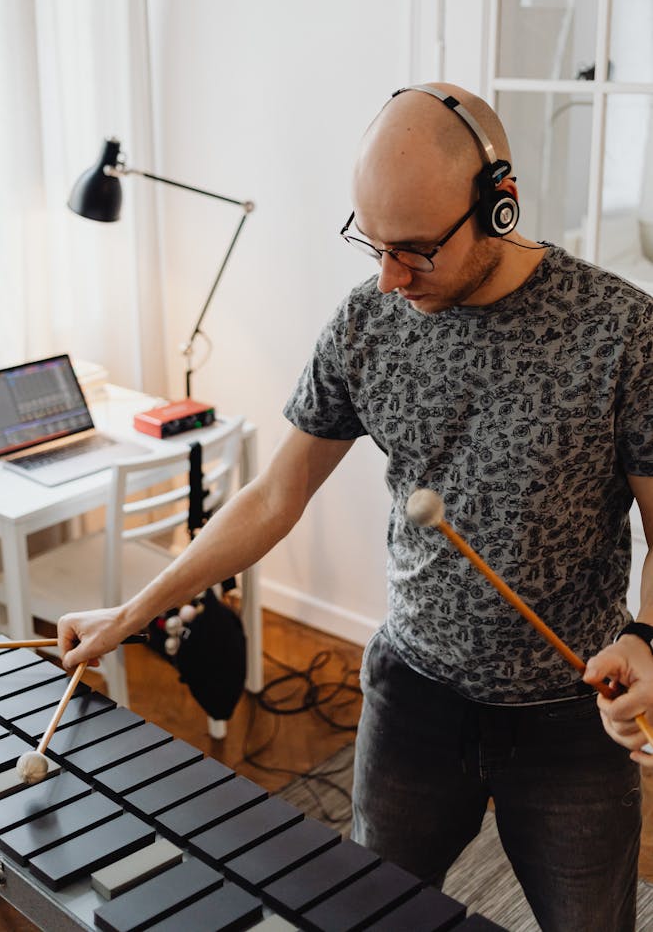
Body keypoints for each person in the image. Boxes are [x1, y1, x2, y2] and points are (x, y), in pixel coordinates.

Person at [58, 83, 653, 932]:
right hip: (411, 699)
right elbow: (275, 494)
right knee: (367, 918)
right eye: (371, 244)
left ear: (498, 205)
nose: (388, 277)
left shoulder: (621, 332)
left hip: (569, 720)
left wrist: (646, 636)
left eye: (414, 250)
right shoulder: (368, 321)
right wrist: (134, 607)